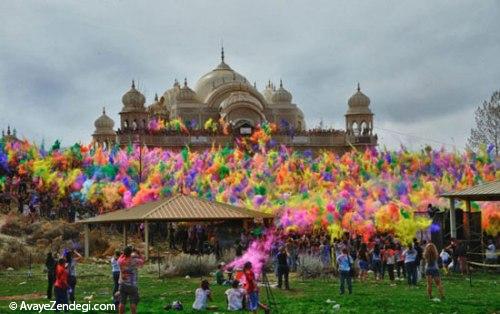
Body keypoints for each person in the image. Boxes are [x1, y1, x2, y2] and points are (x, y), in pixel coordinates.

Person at [118, 246, 144, 314]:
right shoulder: (134, 260)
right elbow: (142, 261)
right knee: (133, 303)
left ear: (124, 253)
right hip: (132, 284)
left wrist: (124, 253)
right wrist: (139, 252)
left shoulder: (120, 261)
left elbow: (121, 257)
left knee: (122, 302)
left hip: (122, 284)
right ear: (131, 253)